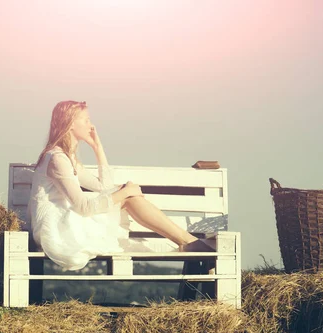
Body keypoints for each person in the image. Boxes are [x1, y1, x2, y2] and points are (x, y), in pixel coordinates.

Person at [27, 100, 214, 271]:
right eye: (85, 120)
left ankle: (188, 242)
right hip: (59, 231)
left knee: (128, 196)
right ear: (69, 123)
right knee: (129, 197)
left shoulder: (68, 158)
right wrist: (125, 192)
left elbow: (103, 187)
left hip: (67, 221)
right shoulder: (57, 159)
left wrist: (98, 149)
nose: (91, 126)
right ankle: (188, 242)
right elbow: (83, 207)